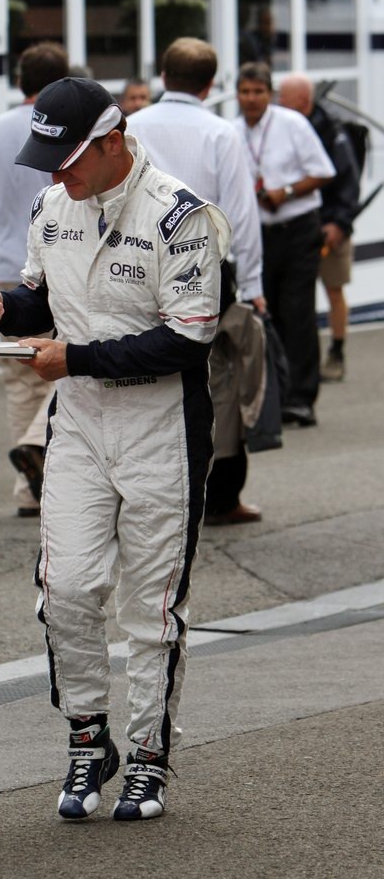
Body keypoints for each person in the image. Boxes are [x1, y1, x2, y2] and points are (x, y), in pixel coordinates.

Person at [0, 77, 231, 822]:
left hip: (161, 429)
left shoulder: (180, 215)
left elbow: (187, 338)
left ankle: (148, 753)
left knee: (151, 607)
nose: (53, 174)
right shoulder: (54, 206)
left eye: (67, 157)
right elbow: (39, 298)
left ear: (113, 141)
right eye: (45, 157)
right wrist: (3, 306)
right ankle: (88, 735)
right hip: (78, 422)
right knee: (67, 589)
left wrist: (71, 358)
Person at [128, 36, 265, 525]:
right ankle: (220, 494)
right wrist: (251, 286)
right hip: (207, 271)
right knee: (219, 378)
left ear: (163, 76)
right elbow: (240, 217)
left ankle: (146, 492)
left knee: (145, 366)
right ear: (211, 84)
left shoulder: (132, 127)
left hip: (140, 266)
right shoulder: (221, 133)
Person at [0, 41, 69, 517]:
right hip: (51, 266)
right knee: (58, 372)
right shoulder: (66, 131)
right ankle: (35, 449)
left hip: (0, 272)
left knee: (19, 381)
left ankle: (28, 493)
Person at [234, 62, 335, 427]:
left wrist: (287, 191)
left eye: (258, 92)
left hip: (297, 229)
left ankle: (301, 398)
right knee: (265, 313)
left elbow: (324, 172)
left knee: (297, 311)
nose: (251, 99)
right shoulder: (231, 131)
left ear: (270, 93)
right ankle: (271, 397)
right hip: (259, 234)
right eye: (245, 92)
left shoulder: (292, 124)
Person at [278, 74, 360, 382]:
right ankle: (296, 358)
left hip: (330, 224)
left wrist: (339, 223)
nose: (279, 104)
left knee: (333, 289)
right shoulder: (283, 128)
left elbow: (347, 181)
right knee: (297, 295)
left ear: (303, 101)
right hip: (297, 227)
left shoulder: (332, 132)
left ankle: (337, 352)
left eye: (284, 98)